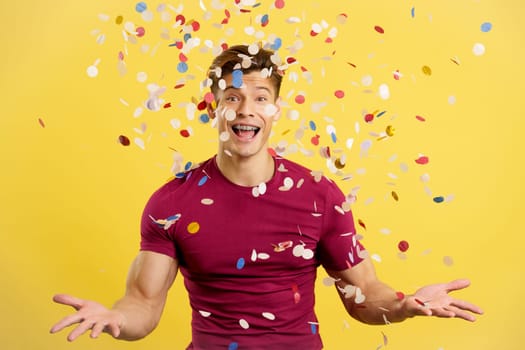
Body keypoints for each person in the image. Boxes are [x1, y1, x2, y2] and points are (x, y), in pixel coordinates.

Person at [50, 44, 483, 349]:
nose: (245, 110)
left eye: (260, 97)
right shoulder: (170, 204)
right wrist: (116, 319)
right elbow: (143, 304)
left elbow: (365, 294)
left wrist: (407, 305)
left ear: (275, 109)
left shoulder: (320, 195)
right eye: (232, 98)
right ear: (212, 107)